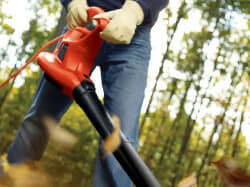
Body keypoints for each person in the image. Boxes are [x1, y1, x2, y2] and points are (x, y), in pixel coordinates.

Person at [6, 0, 168, 186]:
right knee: (42, 116)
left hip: (132, 37)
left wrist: (134, 11)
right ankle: (11, 179)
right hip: (84, 24)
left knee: (121, 136)